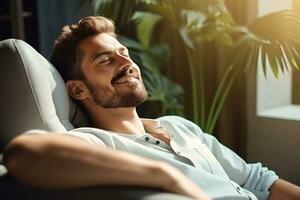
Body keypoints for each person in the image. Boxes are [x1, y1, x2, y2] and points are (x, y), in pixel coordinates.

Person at [3, 16, 300, 200]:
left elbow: (259, 180)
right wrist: (164, 174)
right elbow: (23, 154)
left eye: (124, 53)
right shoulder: (99, 143)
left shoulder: (179, 126)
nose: (127, 64)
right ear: (78, 89)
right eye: (105, 60)